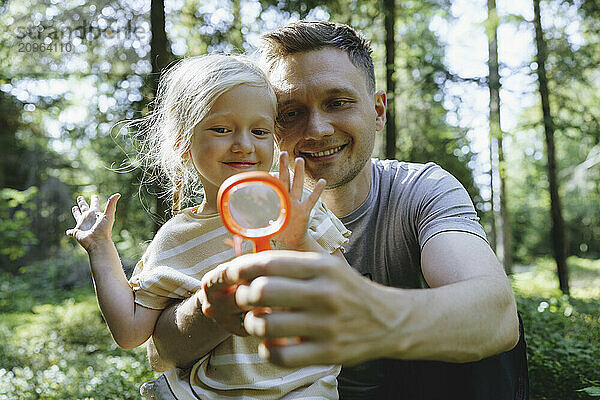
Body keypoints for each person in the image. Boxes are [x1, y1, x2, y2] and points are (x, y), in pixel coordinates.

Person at [148, 22, 529, 399]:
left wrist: (369, 312)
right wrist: (211, 308)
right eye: (290, 112)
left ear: (378, 111)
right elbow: (160, 352)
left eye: (337, 103)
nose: (317, 128)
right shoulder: (234, 219)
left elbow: (497, 317)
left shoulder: (420, 190)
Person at [66, 54, 353, 399]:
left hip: (304, 391)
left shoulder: (297, 205)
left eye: (259, 131)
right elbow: (129, 332)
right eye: (221, 129)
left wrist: (300, 239)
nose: (244, 144)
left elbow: (347, 298)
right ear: (183, 143)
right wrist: (100, 248)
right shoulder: (175, 237)